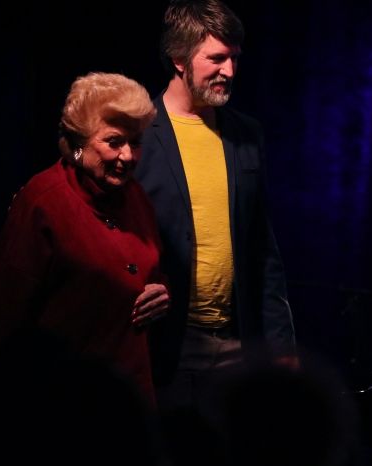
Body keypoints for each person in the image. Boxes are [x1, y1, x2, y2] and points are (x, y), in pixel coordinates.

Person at [0, 72, 169, 405]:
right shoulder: (44, 200)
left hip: (128, 400)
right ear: (79, 143)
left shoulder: (136, 198)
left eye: (136, 142)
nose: (128, 156)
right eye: (114, 141)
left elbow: (147, 268)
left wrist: (160, 290)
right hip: (62, 403)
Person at [136, 0, 296, 415]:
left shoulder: (245, 134)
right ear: (178, 59)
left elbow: (263, 249)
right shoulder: (135, 133)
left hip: (235, 346)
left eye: (234, 58)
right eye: (217, 58)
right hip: (163, 346)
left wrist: (281, 347)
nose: (229, 70)